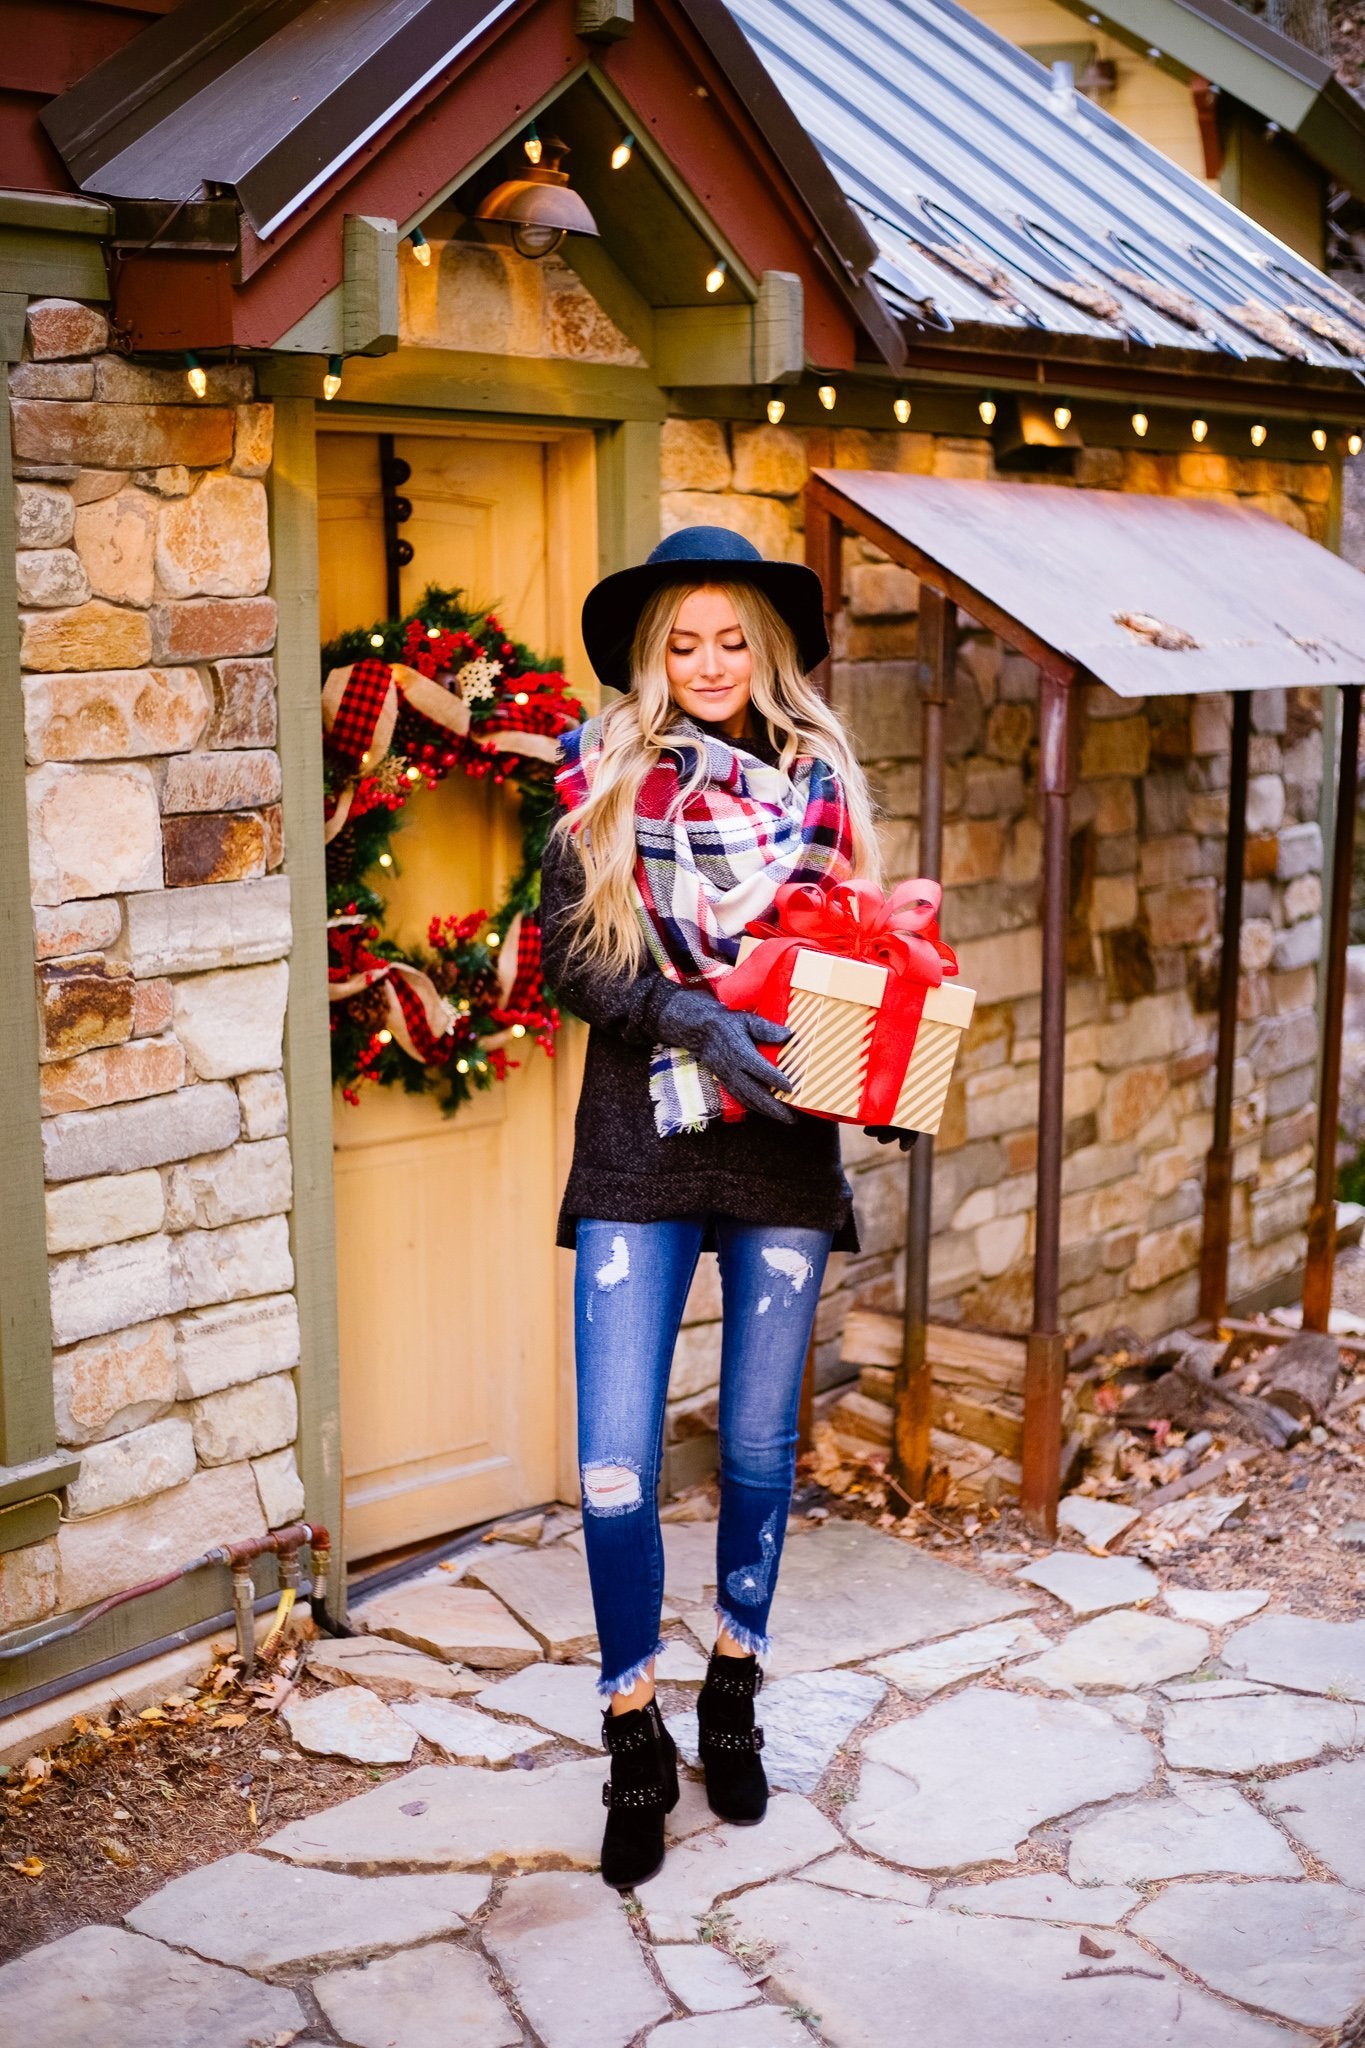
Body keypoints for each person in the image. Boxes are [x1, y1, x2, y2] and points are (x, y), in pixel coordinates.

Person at [541, 527, 913, 1890]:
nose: (708, 664)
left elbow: (859, 970)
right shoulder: (595, 776)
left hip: (783, 1154)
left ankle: (734, 1686)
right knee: (614, 1462)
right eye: (683, 643)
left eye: (731, 639)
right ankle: (632, 1730)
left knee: (758, 1445)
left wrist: (885, 1070)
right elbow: (572, 966)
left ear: (766, 649)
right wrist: (689, 1015)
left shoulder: (822, 786)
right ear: (654, 657)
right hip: (639, 1149)